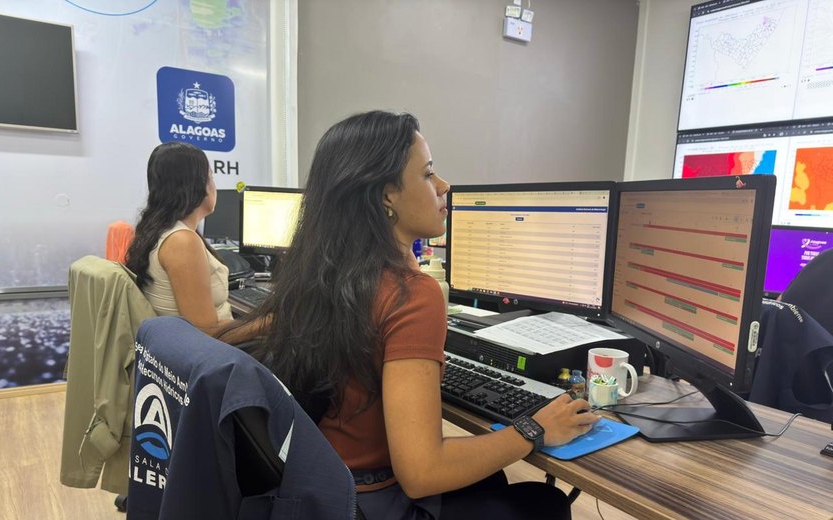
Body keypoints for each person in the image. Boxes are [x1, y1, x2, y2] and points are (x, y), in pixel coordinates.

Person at [220, 111, 599, 519]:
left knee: (490, 480)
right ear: (387, 195)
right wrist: (535, 429)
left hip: (317, 489)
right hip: (367, 504)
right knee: (546, 503)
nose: (443, 187)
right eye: (428, 174)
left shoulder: (320, 274)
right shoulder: (412, 295)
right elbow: (422, 472)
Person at [126, 142, 232, 335]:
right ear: (196, 186)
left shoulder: (159, 230)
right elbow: (206, 332)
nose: (214, 186)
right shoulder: (182, 242)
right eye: (211, 178)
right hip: (211, 355)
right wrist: (265, 322)